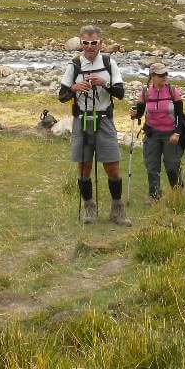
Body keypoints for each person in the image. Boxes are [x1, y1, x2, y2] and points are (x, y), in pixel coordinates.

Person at [58, 25, 129, 226]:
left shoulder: (109, 63)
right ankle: (89, 207)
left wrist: (103, 84)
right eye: (86, 43)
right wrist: (73, 88)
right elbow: (62, 96)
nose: (89, 47)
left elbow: (121, 93)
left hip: (104, 119)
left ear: (100, 43)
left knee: (112, 167)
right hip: (82, 120)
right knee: (83, 168)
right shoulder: (73, 66)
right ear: (81, 43)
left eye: (94, 43)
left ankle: (117, 209)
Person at [131, 62, 184, 200]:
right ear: (152, 76)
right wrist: (134, 113)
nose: (164, 77)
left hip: (171, 134)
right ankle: (154, 196)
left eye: (165, 74)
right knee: (152, 167)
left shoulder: (173, 91)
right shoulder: (145, 92)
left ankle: (178, 194)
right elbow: (139, 113)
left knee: (172, 166)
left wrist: (177, 133)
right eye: (160, 75)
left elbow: (180, 115)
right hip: (152, 134)